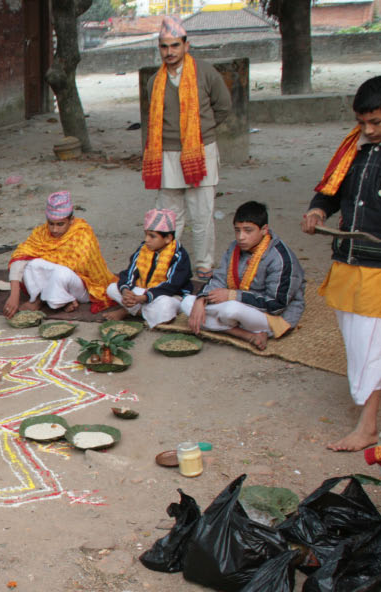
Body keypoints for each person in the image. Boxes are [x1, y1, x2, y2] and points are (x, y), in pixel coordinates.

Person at [301, 75, 381, 451]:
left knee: (371, 349)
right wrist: (317, 211)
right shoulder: (354, 151)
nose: (367, 130)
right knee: (357, 344)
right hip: (348, 262)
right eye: (362, 122)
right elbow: (330, 193)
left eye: (376, 123)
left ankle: (367, 427)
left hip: (378, 268)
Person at [143, 15, 232, 280]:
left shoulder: (205, 72)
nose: (169, 52)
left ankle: (204, 264)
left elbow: (223, 106)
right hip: (165, 154)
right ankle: (169, 262)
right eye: (164, 47)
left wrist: (202, 133)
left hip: (200, 151)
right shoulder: (153, 82)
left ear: (186, 45)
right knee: (170, 216)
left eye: (174, 46)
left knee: (202, 213)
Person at [182, 200, 305, 351]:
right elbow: (219, 278)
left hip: (272, 316)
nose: (241, 237)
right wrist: (201, 299)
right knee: (188, 302)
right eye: (237, 230)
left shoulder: (280, 258)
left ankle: (235, 327)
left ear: (264, 230)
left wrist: (233, 296)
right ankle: (248, 335)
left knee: (230, 310)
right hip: (237, 305)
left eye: (248, 231)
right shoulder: (235, 247)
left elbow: (276, 305)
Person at [3, 191, 115, 315]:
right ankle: (59, 300)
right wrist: (14, 296)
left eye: (60, 224)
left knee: (61, 273)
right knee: (31, 264)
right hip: (55, 280)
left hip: (83, 286)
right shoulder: (41, 232)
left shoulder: (83, 233)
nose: (54, 229)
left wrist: (50, 265)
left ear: (71, 220)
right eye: (51, 224)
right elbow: (19, 257)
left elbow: (78, 268)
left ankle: (42, 301)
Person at [105, 208, 193, 328]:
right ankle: (145, 312)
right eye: (146, 235)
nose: (147, 240)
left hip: (169, 296)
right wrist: (126, 292)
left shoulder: (179, 255)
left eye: (152, 236)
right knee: (112, 288)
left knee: (166, 307)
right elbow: (130, 273)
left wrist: (143, 298)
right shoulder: (143, 248)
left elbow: (172, 286)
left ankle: (128, 311)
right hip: (143, 291)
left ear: (168, 238)